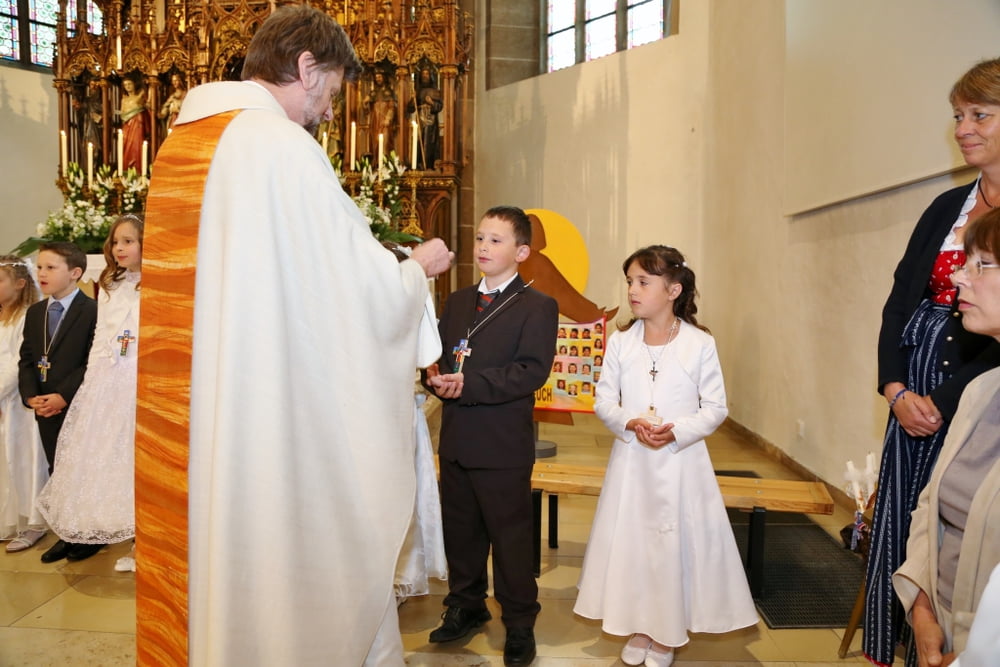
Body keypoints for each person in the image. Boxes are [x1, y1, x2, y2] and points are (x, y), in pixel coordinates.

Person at [138, 6, 454, 665]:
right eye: (331, 92)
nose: (330, 112)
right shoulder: (279, 146)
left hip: (199, 416)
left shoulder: (181, 145)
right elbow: (352, 289)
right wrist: (413, 271)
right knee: (281, 558)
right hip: (266, 415)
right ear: (307, 68)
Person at [865, 58, 1000, 665]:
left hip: (973, 393)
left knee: (962, 525)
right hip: (910, 396)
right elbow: (899, 301)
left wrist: (942, 402)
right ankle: (901, 646)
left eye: (979, 115)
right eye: (958, 116)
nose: (963, 128)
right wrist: (895, 388)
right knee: (907, 523)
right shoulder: (947, 205)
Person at [574, 245, 757, 667]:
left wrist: (676, 430)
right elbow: (604, 400)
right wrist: (630, 422)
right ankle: (639, 626)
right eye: (629, 282)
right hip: (633, 462)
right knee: (635, 544)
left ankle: (666, 631)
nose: (632, 290)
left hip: (680, 463)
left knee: (672, 545)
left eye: (643, 282)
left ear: (673, 290)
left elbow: (715, 407)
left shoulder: (699, 343)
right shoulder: (622, 342)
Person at [424, 205, 558, 666]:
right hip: (458, 439)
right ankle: (466, 605)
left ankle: (519, 622)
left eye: (496, 240)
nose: (483, 246)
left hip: (501, 444)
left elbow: (530, 371)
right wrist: (434, 378)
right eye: (480, 237)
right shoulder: (459, 301)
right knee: (461, 532)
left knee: (510, 538)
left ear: (521, 252)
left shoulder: (537, 306)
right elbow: (439, 356)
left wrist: (469, 384)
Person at [892, 208, 1000, 667]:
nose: (956, 277)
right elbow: (931, 504)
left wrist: (977, 652)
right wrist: (921, 609)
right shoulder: (980, 390)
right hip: (942, 627)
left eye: (982, 264)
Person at [35, 216, 143, 567]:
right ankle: (92, 528)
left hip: (138, 378)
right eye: (116, 242)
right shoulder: (111, 282)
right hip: (106, 379)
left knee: (134, 459)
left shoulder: (157, 282)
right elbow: (101, 335)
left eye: (128, 241)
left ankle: (142, 542)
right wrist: (93, 380)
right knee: (101, 459)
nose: (119, 248)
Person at [17, 242, 97, 563]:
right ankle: (66, 532)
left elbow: (92, 360)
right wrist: (30, 396)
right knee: (58, 468)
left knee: (82, 468)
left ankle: (89, 534)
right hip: (45, 406)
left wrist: (63, 395)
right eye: (39, 267)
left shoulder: (92, 311)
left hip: (76, 403)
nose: (42, 273)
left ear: (75, 273)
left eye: (51, 267)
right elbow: (27, 358)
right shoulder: (36, 312)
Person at [0, 257, 48, 552]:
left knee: (23, 460)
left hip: (18, 402)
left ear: (19, 284)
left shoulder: (26, 317)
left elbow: (18, 362)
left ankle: (33, 523)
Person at [407, 66, 443, 169]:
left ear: (431, 76)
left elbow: (439, 106)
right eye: (423, 74)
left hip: (431, 121)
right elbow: (410, 108)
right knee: (420, 141)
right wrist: (413, 99)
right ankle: (419, 164)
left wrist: (431, 103)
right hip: (420, 120)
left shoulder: (435, 91)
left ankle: (429, 165)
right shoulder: (418, 91)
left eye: (427, 74)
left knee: (429, 142)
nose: (425, 76)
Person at [120, 77, 149, 171]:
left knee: (136, 144)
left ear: (134, 85)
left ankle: (137, 167)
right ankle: (126, 167)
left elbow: (148, 103)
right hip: (127, 124)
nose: (128, 86)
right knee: (125, 144)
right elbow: (122, 112)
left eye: (129, 84)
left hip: (137, 124)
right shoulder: (124, 99)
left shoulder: (139, 97)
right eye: (125, 85)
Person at [366, 69, 396, 154]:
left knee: (385, 141)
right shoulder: (373, 93)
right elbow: (366, 109)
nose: (378, 79)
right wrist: (365, 103)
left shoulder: (388, 92)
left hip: (384, 120)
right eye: (376, 77)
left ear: (383, 78)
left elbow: (392, 107)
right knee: (375, 141)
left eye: (379, 77)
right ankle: (375, 159)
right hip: (375, 121)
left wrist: (388, 118)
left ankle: (384, 158)